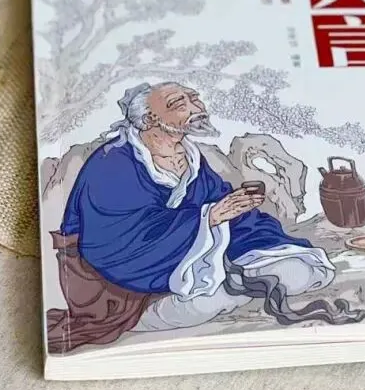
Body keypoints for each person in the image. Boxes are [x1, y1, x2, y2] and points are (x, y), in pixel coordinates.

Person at [46, 82, 336, 353]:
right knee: (207, 302)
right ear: (148, 120)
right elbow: (117, 243)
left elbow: (228, 213)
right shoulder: (113, 163)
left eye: (194, 98)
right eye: (179, 104)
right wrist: (210, 218)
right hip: (125, 288)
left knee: (299, 268)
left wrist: (245, 218)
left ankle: (240, 283)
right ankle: (229, 289)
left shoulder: (190, 157)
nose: (197, 107)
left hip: (191, 263)